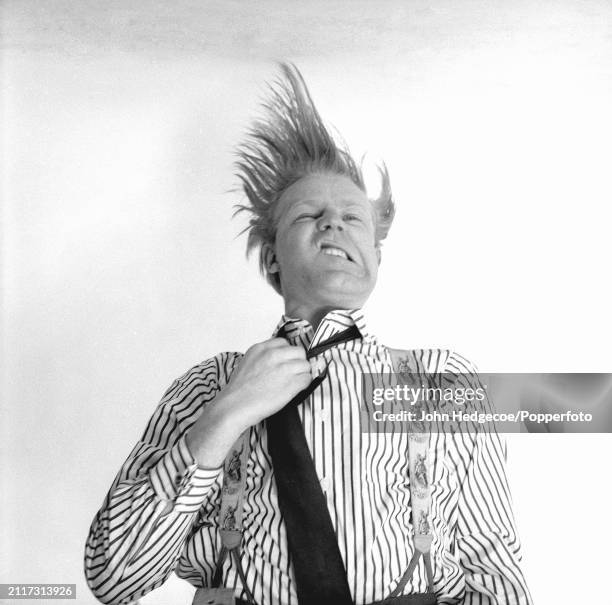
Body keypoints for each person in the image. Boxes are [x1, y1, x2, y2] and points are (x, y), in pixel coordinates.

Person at [85, 64, 532, 605]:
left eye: (353, 218)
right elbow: (113, 575)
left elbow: (493, 569)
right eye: (308, 215)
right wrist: (226, 414)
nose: (334, 224)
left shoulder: (443, 380)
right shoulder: (209, 385)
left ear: (375, 256)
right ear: (272, 257)